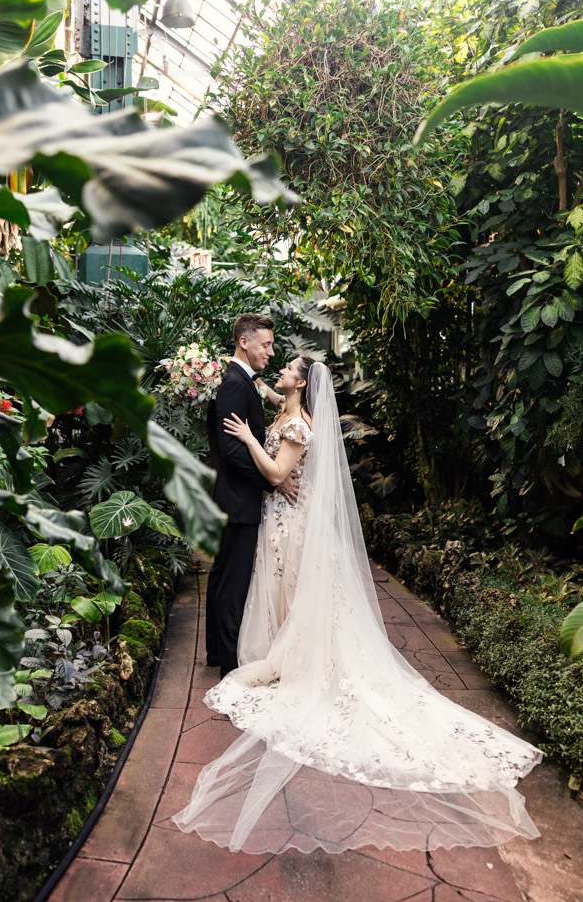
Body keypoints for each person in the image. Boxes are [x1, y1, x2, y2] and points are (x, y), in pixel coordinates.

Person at [176, 360, 543, 854]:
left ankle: (298, 661)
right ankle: (290, 653)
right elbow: (265, 394)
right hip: (281, 519)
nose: (279, 365)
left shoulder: (299, 423)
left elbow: (279, 470)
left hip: (290, 523)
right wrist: (241, 387)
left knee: (291, 593)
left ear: (302, 382)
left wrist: (245, 439)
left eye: (288, 367)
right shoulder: (288, 410)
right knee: (285, 595)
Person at [205, 314, 298, 679]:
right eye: (266, 345)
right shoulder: (233, 385)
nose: (271, 352)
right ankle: (229, 660)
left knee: (223, 574)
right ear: (245, 342)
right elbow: (232, 451)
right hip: (238, 501)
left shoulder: (243, 381)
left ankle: (216, 650)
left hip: (232, 498)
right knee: (232, 581)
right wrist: (272, 482)